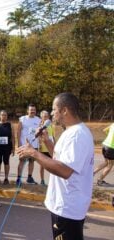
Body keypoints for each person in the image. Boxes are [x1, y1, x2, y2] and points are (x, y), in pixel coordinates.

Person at [17, 92, 94, 240]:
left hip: (68, 208)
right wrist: (47, 141)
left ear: (64, 110)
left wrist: (34, 154)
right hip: (64, 204)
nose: (52, 113)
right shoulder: (70, 131)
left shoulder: (77, 135)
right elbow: (60, 159)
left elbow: (65, 170)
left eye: (54, 109)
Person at [16, 104, 41, 185]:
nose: (33, 111)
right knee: (22, 161)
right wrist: (19, 143)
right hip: (24, 145)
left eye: (34, 110)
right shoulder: (22, 119)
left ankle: (29, 177)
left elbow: (39, 132)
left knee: (31, 161)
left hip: (34, 145)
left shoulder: (38, 120)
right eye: (31, 110)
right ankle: (18, 178)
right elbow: (18, 131)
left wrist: (39, 143)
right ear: (27, 111)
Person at [0, 110, 15, 185]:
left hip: (7, 147)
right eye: (2, 115)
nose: (4, 116)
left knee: (6, 162)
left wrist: (13, 148)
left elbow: (13, 137)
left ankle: (6, 178)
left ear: (7, 116)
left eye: (5, 115)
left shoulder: (10, 125)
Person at [38, 110, 55, 186]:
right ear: (41, 117)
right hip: (43, 148)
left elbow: (53, 136)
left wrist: (55, 145)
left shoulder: (51, 125)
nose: (46, 118)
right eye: (44, 116)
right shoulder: (40, 126)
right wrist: (39, 144)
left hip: (51, 148)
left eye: (47, 116)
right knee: (42, 165)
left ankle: (53, 181)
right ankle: (42, 180)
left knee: (53, 166)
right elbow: (38, 136)